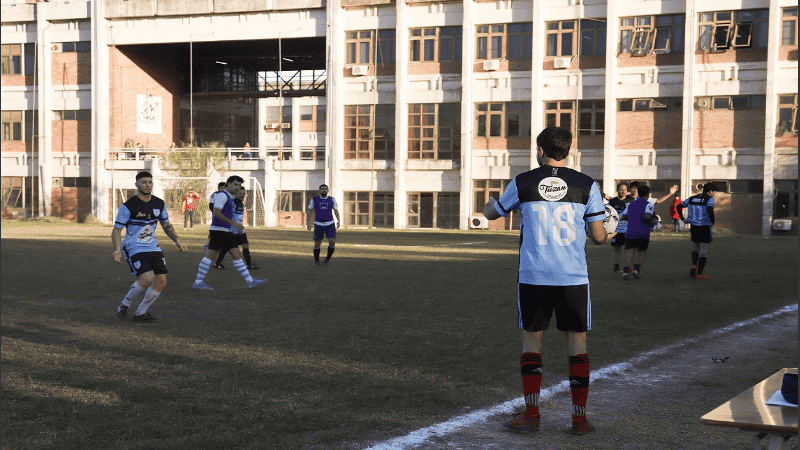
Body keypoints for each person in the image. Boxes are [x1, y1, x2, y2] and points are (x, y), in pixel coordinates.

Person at [483, 127, 610, 436]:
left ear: (539, 150)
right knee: (577, 344)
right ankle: (579, 419)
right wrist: (609, 228)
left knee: (532, 342)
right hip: (573, 277)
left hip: (534, 276)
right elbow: (599, 237)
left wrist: (490, 202)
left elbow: (491, 214)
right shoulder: (586, 184)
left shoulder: (524, 181)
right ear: (569, 151)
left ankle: (531, 414)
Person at [112, 171, 188, 322]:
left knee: (161, 281)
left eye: (150, 182)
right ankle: (124, 305)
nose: (147, 185)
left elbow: (166, 225)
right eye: (144, 182)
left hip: (153, 246)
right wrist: (117, 249)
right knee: (147, 278)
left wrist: (177, 241)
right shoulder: (127, 206)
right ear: (136, 184)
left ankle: (141, 313)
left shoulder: (159, 203)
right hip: (134, 247)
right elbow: (116, 230)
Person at [192, 175, 266, 290]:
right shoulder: (222, 196)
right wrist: (233, 223)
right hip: (219, 230)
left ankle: (250, 281)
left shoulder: (231, 198)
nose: (237, 187)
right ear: (228, 185)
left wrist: (236, 225)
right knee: (210, 256)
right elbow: (216, 213)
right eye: (235, 184)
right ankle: (198, 282)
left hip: (227, 231)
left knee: (237, 255)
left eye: (239, 185)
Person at [677, 182, 717, 280]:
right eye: (714, 192)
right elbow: (710, 210)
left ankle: (694, 266)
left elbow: (679, 206)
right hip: (704, 227)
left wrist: (683, 219)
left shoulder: (692, 198)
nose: (714, 194)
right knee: (703, 250)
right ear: (710, 191)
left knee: (695, 247)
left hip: (694, 227)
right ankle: (699, 273)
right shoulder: (710, 199)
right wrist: (712, 221)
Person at [214, 188, 259, 270]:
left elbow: (238, 216)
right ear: (236, 194)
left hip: (239, 229)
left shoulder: (241, 203)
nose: (242, 195)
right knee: (226, 248)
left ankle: (249, 265)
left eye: (244, 193)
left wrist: (240, 225)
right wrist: (236, 227)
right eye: (240, 193)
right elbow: (230, 216)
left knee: (245, 245)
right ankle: (217, 263)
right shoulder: (233, 203)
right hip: (233, 230)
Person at [619, 185, 655, 280]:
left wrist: (633, 218)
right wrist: (653, 219)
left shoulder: (631, 204)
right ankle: (636, 270)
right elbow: (647, 217)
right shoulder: (649, 204)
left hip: (630, 231)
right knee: (641, 251)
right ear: (648, 195)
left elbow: (623, 217)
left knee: (629, 251)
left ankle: (625, 272)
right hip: (643, 232)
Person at [307, 184, 341, 266]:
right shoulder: (314, 199)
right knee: (317, 243)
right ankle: (316, 261)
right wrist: (308, 222)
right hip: (318, 224)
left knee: (332, 241)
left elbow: (336, 210)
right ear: (319, 190)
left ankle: (327, 260)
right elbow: (310, 211)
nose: (324, 190)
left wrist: (338, 220)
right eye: (322, 189)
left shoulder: (331, 199)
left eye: (326, 189)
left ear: (328, 191)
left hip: (330, 224)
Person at [608, 182, 634, 273]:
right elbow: (607, 213)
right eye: (622, 190)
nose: (623, 192)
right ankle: (616, 267)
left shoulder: (631, 200)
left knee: (629, 249)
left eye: (625, 190)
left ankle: (627, 267)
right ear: (617, 190)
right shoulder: (612, 202)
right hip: (616, 230)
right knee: (617, 249)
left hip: (628, 230)